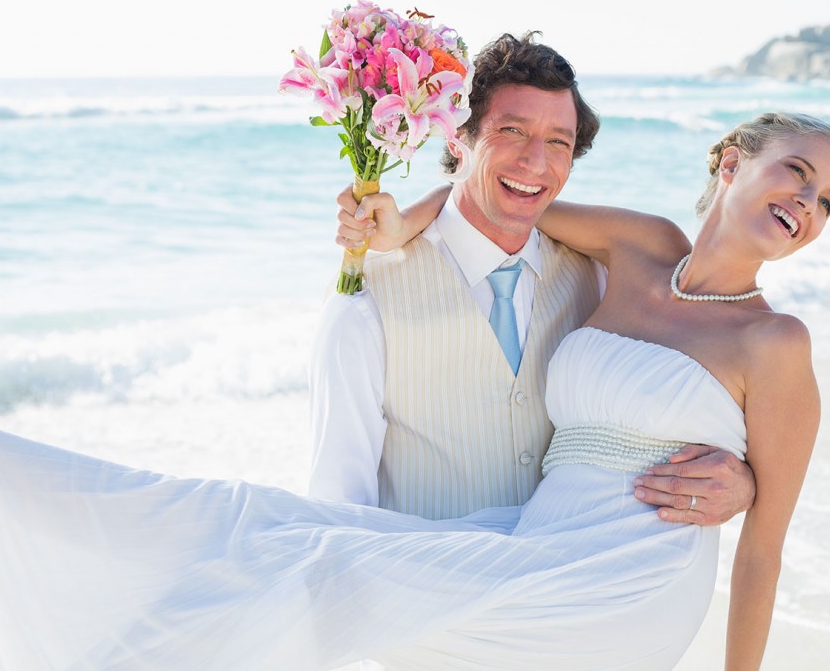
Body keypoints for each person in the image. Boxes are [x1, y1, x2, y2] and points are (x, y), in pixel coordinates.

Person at [0, 111, 830, 670]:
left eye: (826, 201)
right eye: (798, 173)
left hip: (624, 584)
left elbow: (763, 549)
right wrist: (401, 226)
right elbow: (491, 199)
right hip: (532, 540)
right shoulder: (640, 245)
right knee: (257, 518)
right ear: (734, 162)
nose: (807, 203)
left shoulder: (775, 341)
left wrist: (746, 486)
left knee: (318, 570)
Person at [309, 32, 754, 525]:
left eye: (559, 142)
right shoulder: (367, 294)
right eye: (513, 131)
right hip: (428, 590)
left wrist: (742, 482)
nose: (536, 162)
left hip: (572, 578)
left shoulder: (603, 279)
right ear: (458, 138)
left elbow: (666, 402)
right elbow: (337, 502)